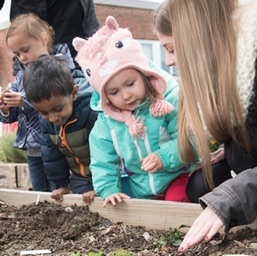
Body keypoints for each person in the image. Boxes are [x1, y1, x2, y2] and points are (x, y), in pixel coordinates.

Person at [154, 0, 257, 252]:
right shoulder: (234, 81)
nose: (168, 62)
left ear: (198, 40)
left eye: (171, 49)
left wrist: (229, 199)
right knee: (201, 183)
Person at [73, 16, 199, 208]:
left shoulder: (169, 99)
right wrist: (109, 190)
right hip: (141, 188)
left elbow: (189, 139)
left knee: (176, 204)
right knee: (138, 215)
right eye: (114, 92)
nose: (126, 96)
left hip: (179, 176)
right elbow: (102, 161)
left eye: (130, 84)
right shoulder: (107, 122)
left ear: (144, 74)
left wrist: (162, 157)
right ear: (104, 96)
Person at [23, 55, 98, 204]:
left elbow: (106, 152)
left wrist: (103, 186)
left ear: (74, 93)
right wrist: (62, 185)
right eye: (44, 112)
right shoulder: (47, 124)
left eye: (58, 109)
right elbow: (52, 157)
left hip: (108, 173)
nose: (52, 118)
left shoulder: (90, 112)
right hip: (79, 175)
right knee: (80, 206)